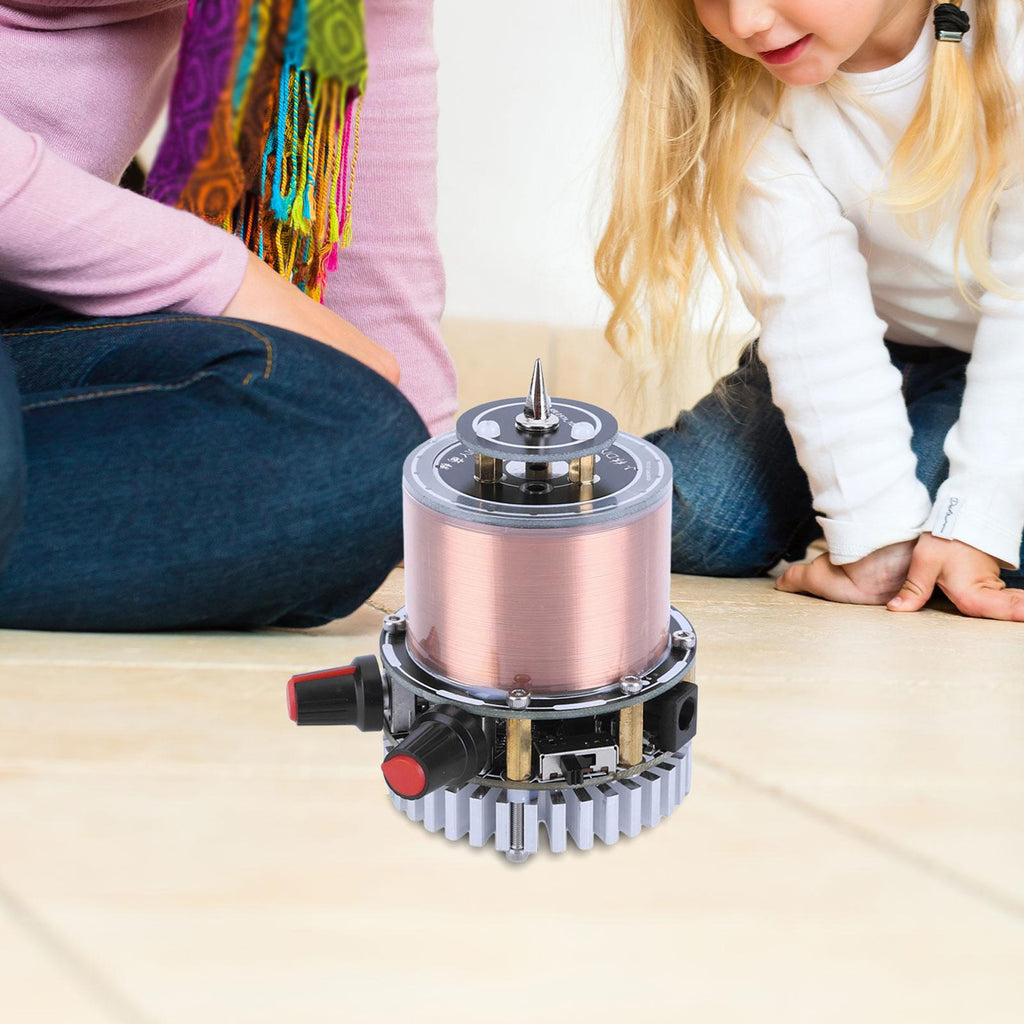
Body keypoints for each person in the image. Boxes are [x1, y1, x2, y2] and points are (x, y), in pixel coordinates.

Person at [0, 0, 456, 631]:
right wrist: (223, 277)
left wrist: (429, 488)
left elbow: (371, 50)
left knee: (352, 451)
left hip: (32, 305)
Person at [596, 0, 1024, 621]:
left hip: (1003, 363)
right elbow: (811, 312)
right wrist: (875, 541)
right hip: (863, 344)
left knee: (969, 529)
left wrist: (974, 519)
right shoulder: (746, 83)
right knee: (694, 523)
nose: (744, 21)